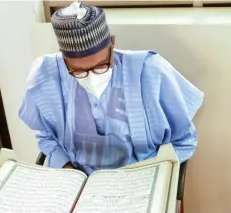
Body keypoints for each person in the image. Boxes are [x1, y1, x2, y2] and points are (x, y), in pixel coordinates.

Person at [19, 2, 204, 175]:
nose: (92, 79)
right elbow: (46, 136)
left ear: (112, 44)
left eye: (101, 66)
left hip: (140, 177)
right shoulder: (47, 77)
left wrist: (143, 174)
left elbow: (184, 141)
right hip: (79, 182)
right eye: (78, 71)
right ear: (64, 60)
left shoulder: (149, 73)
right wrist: (69, 171)